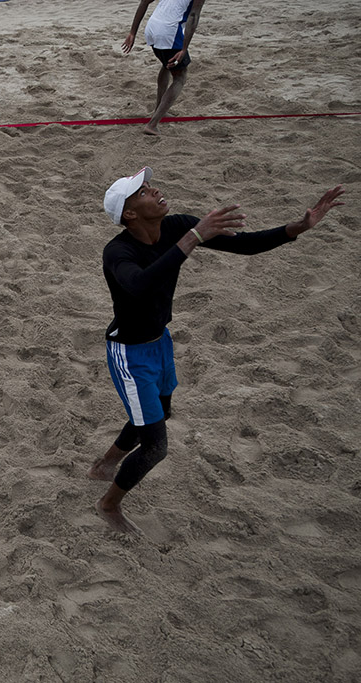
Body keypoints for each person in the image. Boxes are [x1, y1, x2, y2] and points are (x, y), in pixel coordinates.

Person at [89, 168, 345, 534]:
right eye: (143, 192)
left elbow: (246, 245)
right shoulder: (118, 251)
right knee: (156, 446)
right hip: (129, 355)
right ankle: (108, 504)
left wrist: (298, 228)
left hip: (159, 342)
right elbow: (140, 285)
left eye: (149, 185)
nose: (155, 190)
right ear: (129, 214)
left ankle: (104, 465)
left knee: (159, 412)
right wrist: (194, 237)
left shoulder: (177, 226)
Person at [122, 0, 206, 135]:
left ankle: (159, 110)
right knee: (180, 77)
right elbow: (193, 16)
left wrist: (133, 32)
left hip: (152, 27)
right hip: (168, 31)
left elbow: (144, 2)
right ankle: (152, 124)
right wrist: (184, 48)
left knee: (166, 65)